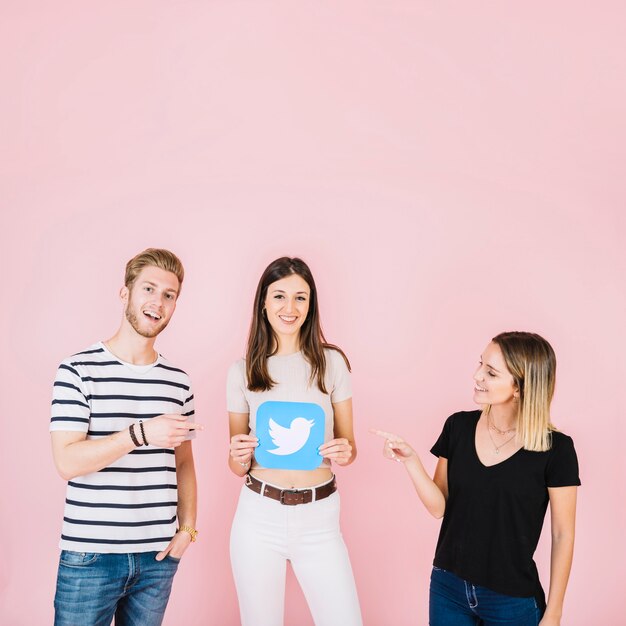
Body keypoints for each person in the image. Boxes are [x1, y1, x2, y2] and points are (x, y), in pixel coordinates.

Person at [372, 331, 580, 626]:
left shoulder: (556, 449)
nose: (477, 375)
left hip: (512, 599)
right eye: (480, 364)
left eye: (491, 372)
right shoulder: (458, 426)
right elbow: (439, 507)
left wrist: (554, 612)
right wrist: (411, 461)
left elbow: (562, 535)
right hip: (448, 588)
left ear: (519, 387)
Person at [50, 248, 202, 626]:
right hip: (90, 558)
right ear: (125, 294)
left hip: (157, 560)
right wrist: (140, 433)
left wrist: (187, 530)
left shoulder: (178, 382)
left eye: (169, 295)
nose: (158, 302)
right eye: (149, 289)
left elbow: (183, 464)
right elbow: (67, 462)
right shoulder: (77, 370)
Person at [227, 257, 363, 626]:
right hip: (258, 514)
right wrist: (238, 454)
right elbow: (237, 462)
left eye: (300, 298)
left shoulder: (332, 363)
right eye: (280, 296)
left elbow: (348, 447)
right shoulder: (242, 371)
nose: (290, 308)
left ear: (311, 304)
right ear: (264, 303)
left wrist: (345, 451)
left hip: (320, 516)